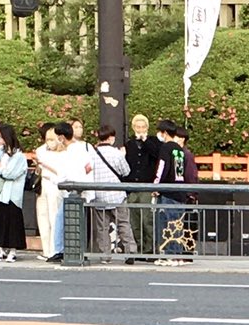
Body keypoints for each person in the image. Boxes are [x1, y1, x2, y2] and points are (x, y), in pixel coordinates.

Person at [35, 122, 84, 263]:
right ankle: (47, 249)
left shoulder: (67, 153)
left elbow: (62, 173)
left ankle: (55, 250)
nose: (51, 141)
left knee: (55, 217)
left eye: (53, 138)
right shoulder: (41, 151)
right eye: (48, 139)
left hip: (56, 186)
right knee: (43, 217)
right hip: (44, 186)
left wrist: (46, 167)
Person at [85, 125, 133, 256]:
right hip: (117, 195)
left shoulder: (91, 154)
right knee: (123, 224)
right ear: (111, 138)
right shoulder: (117, 153)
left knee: (102, 228)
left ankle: (105, 255)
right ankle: (130, 251)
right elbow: (126, 171)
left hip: (99, 195)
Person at [154, 118, 197, 263]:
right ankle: (177, 255)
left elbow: (162, 168)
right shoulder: (180, 150)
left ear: (164, 133)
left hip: (168, 191)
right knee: (177, 224)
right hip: (180, 191)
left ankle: (168, 254)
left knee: (166, 225)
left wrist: (156, 186)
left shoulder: (166, 148)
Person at [0, 123, 30, 260]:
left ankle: (13, 251)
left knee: (12, 223)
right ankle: (1, 250)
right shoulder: (1, 152)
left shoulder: (19, 156)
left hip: (12, 195)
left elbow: (10, 173)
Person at [125, 112, 162, 260]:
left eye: (143, 126)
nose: (140, 129)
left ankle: (150, 250)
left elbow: (157, 154)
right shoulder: (129, 144)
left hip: (147, 185)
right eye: (137, 126)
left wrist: (145, 140)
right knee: (135, 221)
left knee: (148, 219)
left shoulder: (153, 142)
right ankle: (139, 248)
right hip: (133, 186)